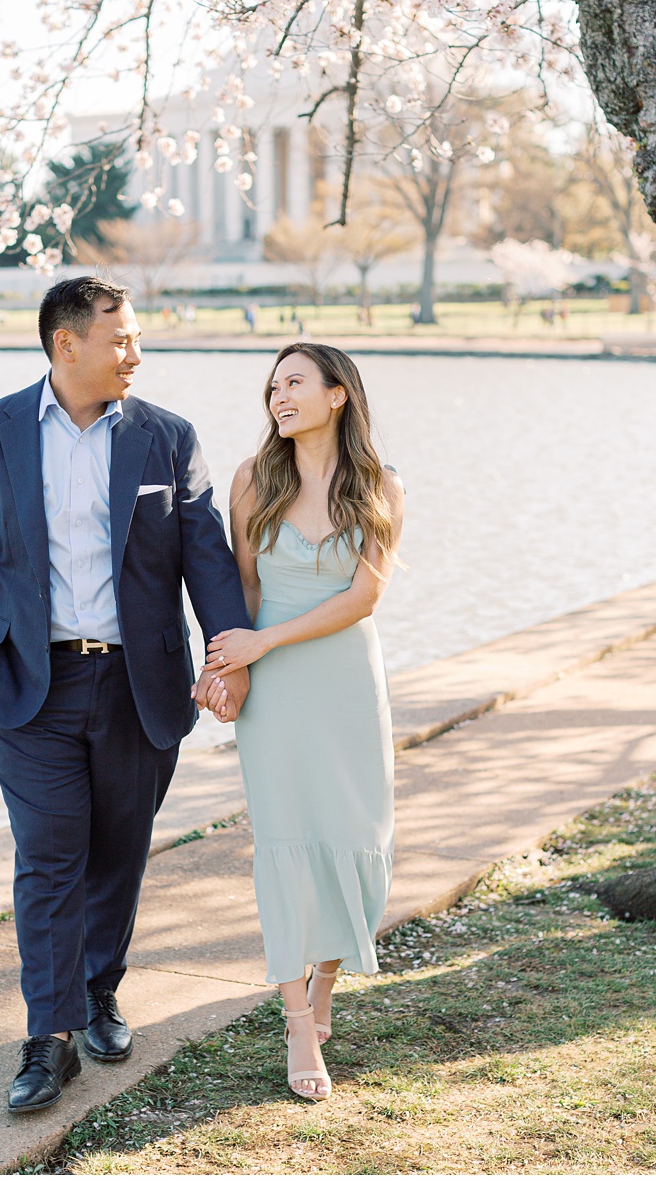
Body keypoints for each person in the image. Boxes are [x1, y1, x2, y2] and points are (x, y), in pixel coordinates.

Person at [0, 276, 251, 1114]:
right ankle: (50, 1035)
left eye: (136, 338)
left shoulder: (167, 437)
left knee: (118, 848)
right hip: (27, 688)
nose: (135, 354)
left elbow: (207, 562)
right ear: (65, 344)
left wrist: (229, 659)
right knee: (49, 855)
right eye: (121, 340)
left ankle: (100, 990)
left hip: (138, 684)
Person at [199, 342, 405, 1102]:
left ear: (337, 394)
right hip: (277, 692)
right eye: (272, 386)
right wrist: (225, 663)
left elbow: (364, 598)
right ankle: (295, 1019)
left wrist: (266, 640)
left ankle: (324, 984)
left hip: (348, 680)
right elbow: (243, 588)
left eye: (295, 382)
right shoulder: (256, 480)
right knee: (285, 843)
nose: (280, 396)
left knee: (357, 837)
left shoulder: (382, 485)